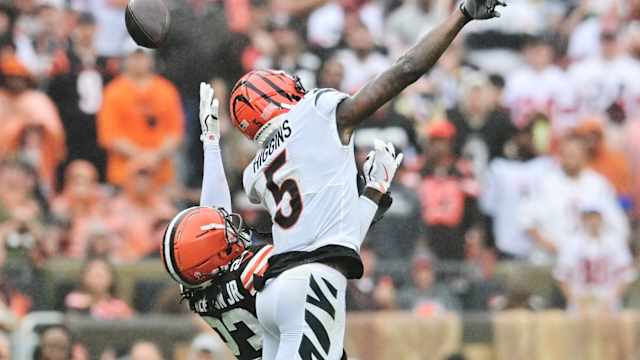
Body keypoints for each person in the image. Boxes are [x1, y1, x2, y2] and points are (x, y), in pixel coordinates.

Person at [228, 1, 504, 359]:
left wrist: (373, 191)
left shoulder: (257, 170)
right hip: (312, 281)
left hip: (276, 292)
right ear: (276, 94)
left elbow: (331, 237)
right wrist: (461, 16)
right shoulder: (316, 113)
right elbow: (405, 69)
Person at [162, 84, 391, 359]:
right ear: (219, 257)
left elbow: (211, 219)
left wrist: (211, 143)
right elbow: (329, 250)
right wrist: (373, 193)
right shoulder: (251, 273)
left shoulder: (195, 287)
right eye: (227, 236)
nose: (234, 230)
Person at [97, 48, 184, 187]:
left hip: (160, 175)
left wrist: (155, 156)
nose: (138, 62)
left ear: (151, 59)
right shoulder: (113, 92)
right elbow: (109, 136)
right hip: (124, 176)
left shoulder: (167, 90)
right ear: (125, 59)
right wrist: (142, 157)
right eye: (134, 57)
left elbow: (175, 132)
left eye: (142, 57)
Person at [553, 202, 636, 314]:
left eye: (596, 218)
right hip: (580, 299)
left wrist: (611, 300)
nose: (593, 222)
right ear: (583, 220)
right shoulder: (572, 244)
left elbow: (627, 275)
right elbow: (562, 277)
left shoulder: (614, 243)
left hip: (607, 299)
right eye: (589, 218)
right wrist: (576, 302)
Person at [64, 257, 133, 320]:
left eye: (102, 275)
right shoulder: (74, 300)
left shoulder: (119, 306)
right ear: (84, 277)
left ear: (111, 278)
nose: (98, 280)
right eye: (94, 274)